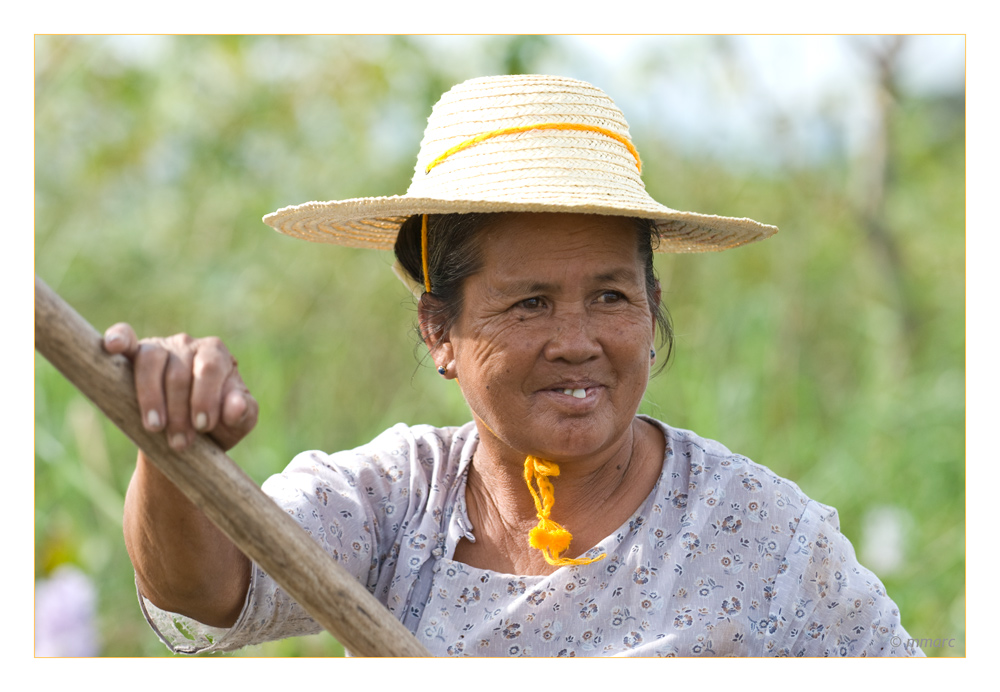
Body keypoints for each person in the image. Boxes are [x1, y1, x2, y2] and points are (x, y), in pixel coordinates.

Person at [106, 74, 920, 657]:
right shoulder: (395, 502)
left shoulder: (764, 536)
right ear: (440, 331)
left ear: (652, 305)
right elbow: (204, 595)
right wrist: (171, 444)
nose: (577, 340)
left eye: (609, 297)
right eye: (529, 303)